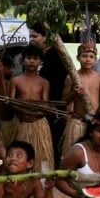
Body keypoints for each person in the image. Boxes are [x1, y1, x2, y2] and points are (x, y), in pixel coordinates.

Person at [10, 44, 54, 171]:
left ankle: (42, 183)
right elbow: (11, 102)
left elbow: (45, 105)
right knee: (19, 156)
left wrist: (36, 113)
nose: (32, 61)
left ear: (40, 61)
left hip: (39, 124)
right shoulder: (16, 81)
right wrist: (23, 111)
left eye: (35, 58)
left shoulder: (44, 82)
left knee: (42, 159)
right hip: (20, 124)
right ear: (22, 60)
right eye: (28, 58)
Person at [60, 41, 100, 155]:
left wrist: (98, 119)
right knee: (75, 153)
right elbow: (64, 102)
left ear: (95, 59)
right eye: (84, 56)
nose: (88, 59)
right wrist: (74, 93)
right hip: (77, 122)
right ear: (78, 58)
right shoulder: (71, 77)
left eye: (91, 57)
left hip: (95, 122)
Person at [29, 22, 68, 160]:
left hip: (53, 108)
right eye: (30, 36)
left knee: (51, 145)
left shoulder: (57, 57)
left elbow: (59, 84)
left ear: (46, 38)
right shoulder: (39, 56)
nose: (31, 39)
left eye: (35, 36)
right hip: (34, 110)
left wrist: (53, 105)